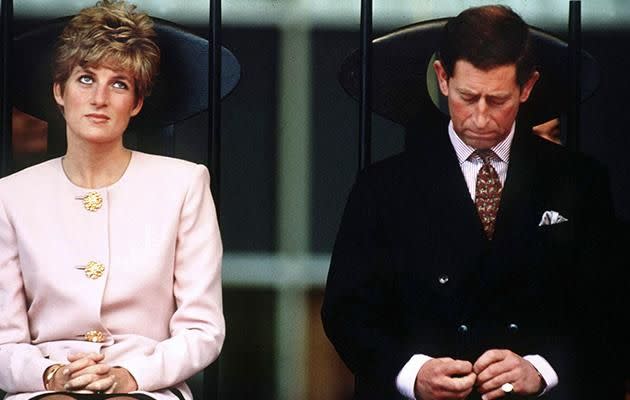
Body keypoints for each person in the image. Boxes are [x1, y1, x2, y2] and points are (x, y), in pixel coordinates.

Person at [322, 5, 618, 400]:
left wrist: (542, 369)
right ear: (443, 79)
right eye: (467, 97)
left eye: (497, 100)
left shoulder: (579, 181)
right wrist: (412, 373)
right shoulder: (383, 187)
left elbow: (608, 310)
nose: (480, 117)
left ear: (527, 88)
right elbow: (346, 310)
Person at [0, 1, 224, 399]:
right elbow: (3, 340)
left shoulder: (184, 184)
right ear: (59, 91)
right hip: (43, 387)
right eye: (86, 79)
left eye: (119, 83)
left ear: (135, 103)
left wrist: (130, 375)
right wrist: (51, 376)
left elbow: (202, 330)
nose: (100, 98)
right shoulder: (11, 196)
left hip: (147, 385)